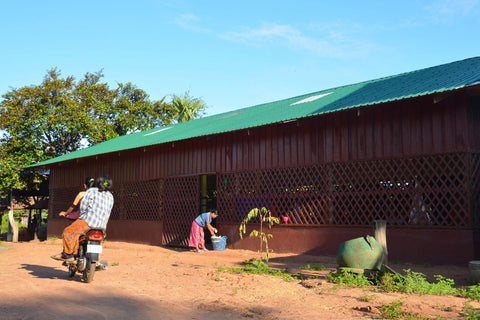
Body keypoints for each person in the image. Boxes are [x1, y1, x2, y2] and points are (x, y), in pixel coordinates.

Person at [51, 175, 114, 262]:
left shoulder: (91, 191)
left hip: (88, 222)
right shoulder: (110, 195)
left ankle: (68, 254)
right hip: (102, 227)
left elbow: (83, 208)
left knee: (68, 232)